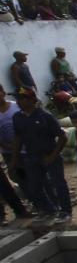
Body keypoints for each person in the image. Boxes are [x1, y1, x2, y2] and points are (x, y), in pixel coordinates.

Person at [10, 88, 73, 224]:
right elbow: (18, 138)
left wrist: (53, 155)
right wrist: (15, 158)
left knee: (58, 183)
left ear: (32, 100)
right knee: (34, 185)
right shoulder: (17, 117)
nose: (19, 102)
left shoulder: (45, 116)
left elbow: (62, 137)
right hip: (31, 156)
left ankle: (65, 211)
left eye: (23, 98)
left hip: (50, 154)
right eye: (18, 99)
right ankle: (47, 210)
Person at [0, 85, 30, 224]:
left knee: (32, 175)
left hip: (24, 148)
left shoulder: (14, 107)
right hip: (7, 150)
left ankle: (23, 209)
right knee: (16, 177)